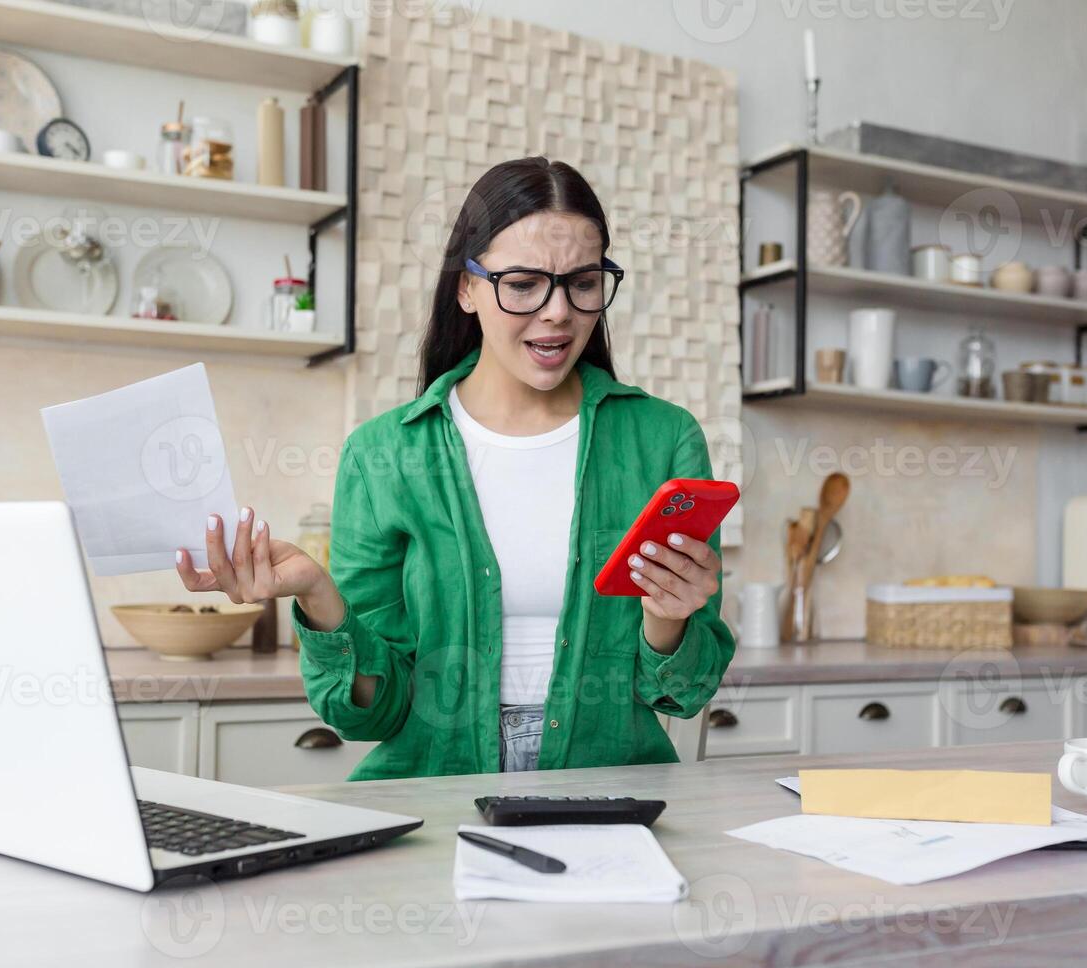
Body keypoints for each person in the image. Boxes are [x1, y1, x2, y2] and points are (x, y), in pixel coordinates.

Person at [176, 156, 735, 780]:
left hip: (609, 792)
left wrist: (668, 617)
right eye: (522, 283)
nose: (557, 312)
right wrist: (317, 593)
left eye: (582, 282)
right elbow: (370, 716)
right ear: (466, 287)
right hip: (432, 799)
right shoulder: (383, 455)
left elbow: (682, 694)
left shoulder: (663, 441)